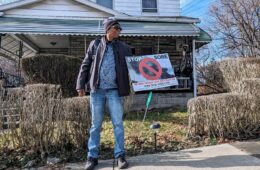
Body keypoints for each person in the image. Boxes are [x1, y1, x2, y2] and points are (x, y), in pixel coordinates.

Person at [76, 18, 132, 170]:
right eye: (117, 28)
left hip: (115, 91)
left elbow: (133, 65)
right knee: (95, 125)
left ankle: (120, 155)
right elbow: (85, 65)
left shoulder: (123, 47)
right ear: (108, 29)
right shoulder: (95, 45)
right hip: (97, 91)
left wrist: (146, 78)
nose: (119, 31)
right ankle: (92, 157)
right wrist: (80, 85)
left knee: (118, 124)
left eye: (120, 29)